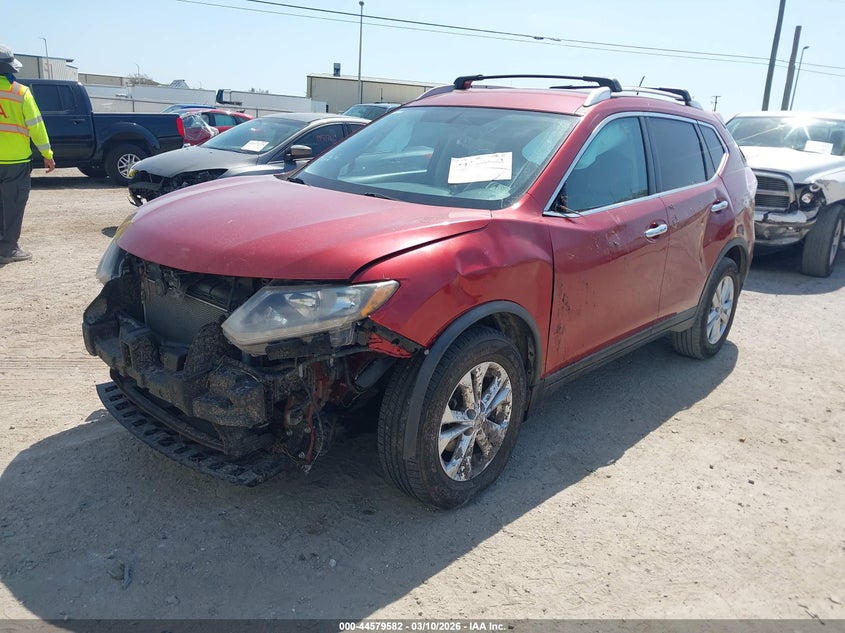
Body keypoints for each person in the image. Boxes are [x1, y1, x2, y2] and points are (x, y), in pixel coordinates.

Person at [0, 44, 55, 264]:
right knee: (12, 204)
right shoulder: (20, 92)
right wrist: (47, 154)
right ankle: (8, 249)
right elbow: (36, 126)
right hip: (15, 161)